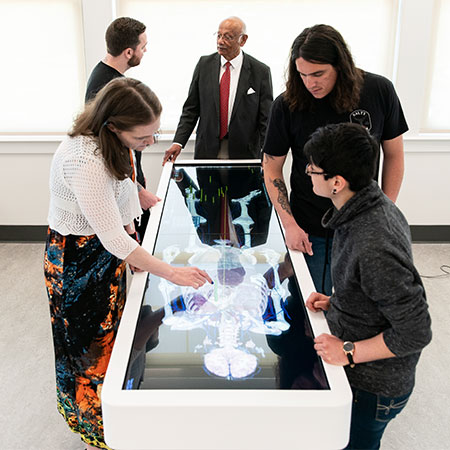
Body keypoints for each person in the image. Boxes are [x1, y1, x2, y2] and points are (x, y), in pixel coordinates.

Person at [44, 78, 212, 450]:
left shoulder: (111, 141)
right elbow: (113, 238)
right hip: (77, 263)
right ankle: (100, 433)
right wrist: (172, 273)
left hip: (105, 254)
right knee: (93, 348)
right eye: (143, 137)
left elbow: (118, 183)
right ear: (114, 125)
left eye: (155, 134)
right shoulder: (82, 159)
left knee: (117, 333)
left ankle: (122, 412)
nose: (150, 143)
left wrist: (139, 194)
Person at [303, 123, 431, 450]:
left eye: (313, 169)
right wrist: (338, 301)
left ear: (337, 182)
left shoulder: (373, 243)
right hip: (363, 368)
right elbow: (376, 289)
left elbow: (416, 331)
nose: (307, 172)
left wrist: (348, 351)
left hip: (375, 387)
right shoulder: (367, 206)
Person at [262, 24, 408, 295]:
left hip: (362, 222)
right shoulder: (287, 104)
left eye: (318, 74)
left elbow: (395, 155)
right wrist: (289, 224)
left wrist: (384, 212)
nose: (310, 83)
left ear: (340, 66)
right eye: (302, 74)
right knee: (310, 303)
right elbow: (271, 167)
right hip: (308, 225)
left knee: (357, 302)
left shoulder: (379, 90)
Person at [86, 16, 158, 242]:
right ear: (129, 52)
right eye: (143, 47)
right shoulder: (106, 88)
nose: (145, 51)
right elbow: (107, 154)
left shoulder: (108, 76)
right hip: (122, 187)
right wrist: (137, 190)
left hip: (129, 181)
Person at [163, 16, 273, 162]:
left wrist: (269, 154)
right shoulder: (204, 65)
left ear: (243, 40)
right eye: (219, 35)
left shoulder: (260, 71)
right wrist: (178, 142)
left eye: (227, 37)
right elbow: (191, 109)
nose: (220, 41)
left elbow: (266, 118)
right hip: (207, 150)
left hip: (244, 153)